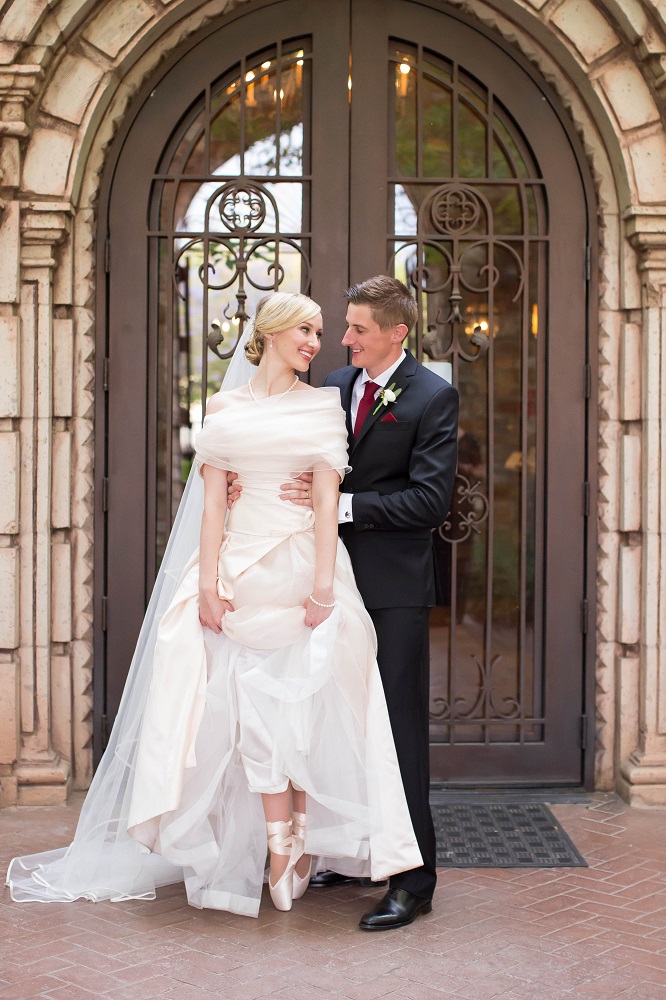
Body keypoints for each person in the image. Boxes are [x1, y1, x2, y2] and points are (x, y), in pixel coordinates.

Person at [6, 292, 422, 919]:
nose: (317, 343)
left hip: (301, 573)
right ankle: (277, 844)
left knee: (305, 708)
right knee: (246, 712)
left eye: (321, 332)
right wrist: (206, 584)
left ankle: (299, 840)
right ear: (272, 332)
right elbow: (213, 506)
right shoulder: (224, 409)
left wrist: (322, 587)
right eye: (306, 330)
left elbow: (324, 503)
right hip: (237, 573)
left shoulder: (323, 404)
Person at [269, 276, 459, 930]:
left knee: (398, 730)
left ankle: (414, 881)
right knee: (334, 723)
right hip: (326, 582)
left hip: (393, 591)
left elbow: (429, 501)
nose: (345, 340)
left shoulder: (432, 396)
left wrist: (341, 506)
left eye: (358, 329)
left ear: (398, 332)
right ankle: (350, 854)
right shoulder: (334, 386)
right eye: (346, 326)